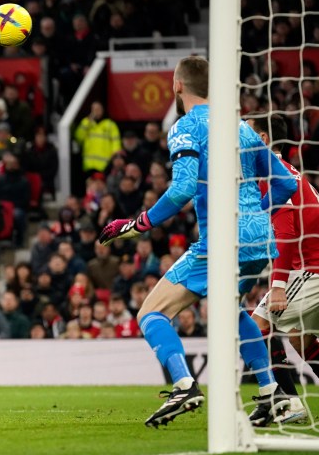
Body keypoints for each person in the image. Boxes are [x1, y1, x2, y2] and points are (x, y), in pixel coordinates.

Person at [99, 56, 298, 428]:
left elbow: (183, 188)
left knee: (151, 313)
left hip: (222, 240)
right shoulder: (242, 128)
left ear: (177, 86)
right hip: (258, 239)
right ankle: (273, 393)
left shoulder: (186, 127)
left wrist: (138, 224)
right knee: (230, 311)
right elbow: (287, 185)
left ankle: (184, 385)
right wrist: (254, 211)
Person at [248, 113, 319, 423]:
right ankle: (283, 401)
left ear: (264, 140)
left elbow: (285, 235)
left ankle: (286, 403)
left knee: (256, 329)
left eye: (247, 133)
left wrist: (278, 286)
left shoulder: (273, 175)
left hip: (316, 266)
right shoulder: (286, 171)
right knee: (301, 341)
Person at [74, 101, 120, 177]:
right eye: (94, 109)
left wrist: (114, 159)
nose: (96, 111)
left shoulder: (110, 124)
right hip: (88, 165)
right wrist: (87, 121)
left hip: (104, 165)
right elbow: (78, 137)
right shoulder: (86, 123)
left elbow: (116, 144)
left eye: (98, 109)